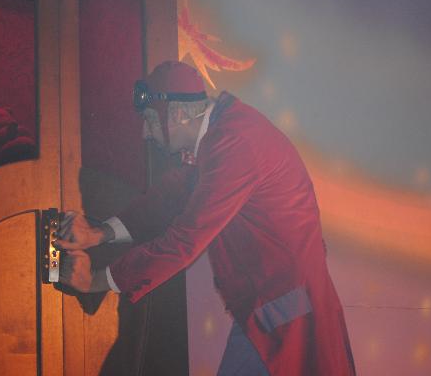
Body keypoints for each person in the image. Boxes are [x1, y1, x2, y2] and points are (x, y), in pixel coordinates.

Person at [56, 61, 356, 375]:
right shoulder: (223, 132)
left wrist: (95, 280)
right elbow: (171, 195)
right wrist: (99, 233)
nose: (145, 133)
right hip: (276, 302)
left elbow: (184, 242)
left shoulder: (235, 144)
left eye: (149, 119)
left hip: (283, 305)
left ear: (177, 114)